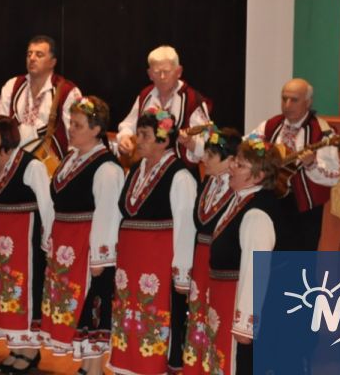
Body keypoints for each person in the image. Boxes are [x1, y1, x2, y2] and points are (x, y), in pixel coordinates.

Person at [109, 109, 198, 375]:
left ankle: (153, 368)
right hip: (131, 264)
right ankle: (129, 367)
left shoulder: (180, 176)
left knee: (155, 319)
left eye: (145, 135)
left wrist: (181, 274)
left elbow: (186, 228)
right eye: (138, 134)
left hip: (158, 265)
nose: (138, 140)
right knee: (129, 316)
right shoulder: (136, 170)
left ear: (164, 140)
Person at [40, 96, 124, 375]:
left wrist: (100, 257)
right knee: (73, 305)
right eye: (71, 123)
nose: (71, 129)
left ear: (96, 129)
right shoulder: (71, 159)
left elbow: (108, 214)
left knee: (91, 305)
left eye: (78, 125)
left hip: (86, 248)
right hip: (65, 244)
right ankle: (86, 367)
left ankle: (94, 368)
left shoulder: (106, 167)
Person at [0, 114, 53, 373]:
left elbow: (47, 206)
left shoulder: (31, 166)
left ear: (6, 137)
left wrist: (47, 243)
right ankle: (15, 346)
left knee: (23, 291)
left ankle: (30, 350)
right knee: (4, 291)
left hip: (24, 241)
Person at [208, 136, 278, 374]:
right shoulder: (241, 200)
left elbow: (256, 270)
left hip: (237, 302)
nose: (231, 167)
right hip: (225, 301)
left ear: (258, 176)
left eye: (239, 165)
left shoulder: (256, 213)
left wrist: (245, 324)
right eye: (234, 161)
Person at [249, 79, 340, 251]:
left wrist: (312, 164)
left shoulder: (323, 131)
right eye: (284, 99)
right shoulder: (271, 125)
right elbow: (247, 147)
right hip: (270, 201)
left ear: (308, 102)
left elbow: (334, 176)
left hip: (304, 210)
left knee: (300, 260)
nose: (287, 105)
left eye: (294, 100)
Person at [182, 127, 238, 375]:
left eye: (211, 155)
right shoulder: (208, 181)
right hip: (201, 257)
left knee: (217, 317)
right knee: (199, 316)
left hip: (220, 260)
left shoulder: (236, 189)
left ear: (230, 160)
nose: (204, 158)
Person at [0, 35, 82, 162]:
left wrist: (68, 168)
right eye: (29, 54)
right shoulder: (12, 86)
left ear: (52, 62)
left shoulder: (68, 92)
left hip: (50, 168)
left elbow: (77, 139)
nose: (32, 58)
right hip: (14, 163)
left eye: (39, 55)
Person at [117, 46, 213, 163]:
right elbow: (128, 125)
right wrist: (124, 138)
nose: (162, 77)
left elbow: (209, 148)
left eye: (167, 71)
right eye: (157, 72)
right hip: (147, 167)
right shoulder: (145, 95)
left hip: (180, 170)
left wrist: (189, 142)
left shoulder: (193, 100)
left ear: (179, 72)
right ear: (150, 74)